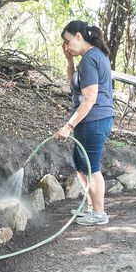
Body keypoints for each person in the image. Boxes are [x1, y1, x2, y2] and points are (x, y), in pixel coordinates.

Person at [55, 20, 114, 225]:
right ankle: (90, 207)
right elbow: (74, 86)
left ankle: (99, 214)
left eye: (68, 41)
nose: (67, 46)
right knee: (82, 166)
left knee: (92, 168)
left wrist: (68, 126)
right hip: (92, 119)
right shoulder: (93, 56)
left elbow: (89, 99)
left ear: (79, 36)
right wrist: (69, 61)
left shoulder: (90, 59)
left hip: (94, 119)